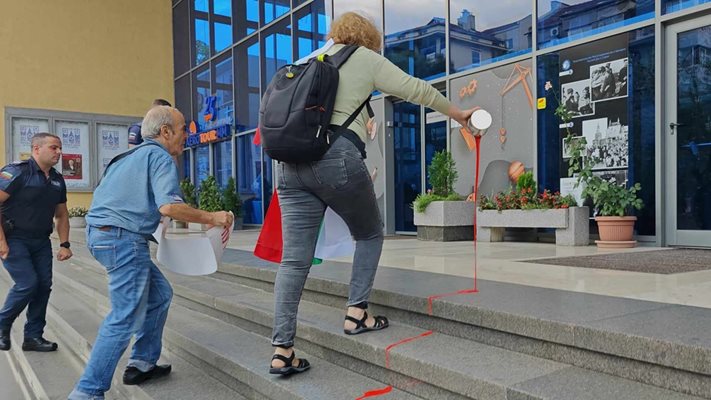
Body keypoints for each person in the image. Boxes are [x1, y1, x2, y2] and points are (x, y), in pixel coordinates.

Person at [268, 11, 477, 375]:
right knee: (368, 233)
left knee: (294, 260)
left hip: (288, 166)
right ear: (368, 39)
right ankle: (356, 313)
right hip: (335, 159)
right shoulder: (362, 58)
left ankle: (282, 349)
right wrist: (459, 114)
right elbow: (415, 89)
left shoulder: (311, 60)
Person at [68, 106, 233, 400]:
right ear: (165, 131)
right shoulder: (160, 156)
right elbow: (168, 206)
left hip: (103, 236)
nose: (188, 135)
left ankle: (142, 363)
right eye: (184, 129)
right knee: (124, 316)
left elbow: (146, 209)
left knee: (159, 295)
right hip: (123, 241)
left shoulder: (126, 157)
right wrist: (213, 217)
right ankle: (87, 392)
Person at [0, 133, 72, 353]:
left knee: (43, 287)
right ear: (36, 149)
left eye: (60, 148)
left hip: (40, 241)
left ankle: (33, 337)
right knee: (27, 283)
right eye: (53, 148)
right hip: (14, 238)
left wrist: (65, 244)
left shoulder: (58, 179)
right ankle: (2, 325)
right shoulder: (16, 172)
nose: (59, 152)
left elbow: (61, 214)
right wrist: (2, 242)